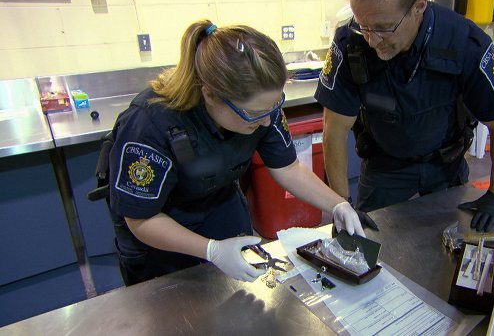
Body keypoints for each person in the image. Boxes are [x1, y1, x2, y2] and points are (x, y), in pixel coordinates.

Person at [105, 20, 364, 285]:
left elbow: (287, 167)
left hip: (218, 202)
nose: (266, 122)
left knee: (234, 293)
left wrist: (337, 204)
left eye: (273, 108)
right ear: (210, 95)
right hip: (159, 224)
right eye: (253, 115)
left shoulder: (260, 107)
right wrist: (211, 250)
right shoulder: (149, 125)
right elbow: (140, 219)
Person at [315, 0, 494, 233]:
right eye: (364, 26)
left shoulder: (464, 42)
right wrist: (341, 203)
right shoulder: (351, 45)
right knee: (369, 246)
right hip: (383, 168)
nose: (373, 40)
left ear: (420, 4)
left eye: (384, 28)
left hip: (445, 166)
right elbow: (334, 130)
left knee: (450, 250)